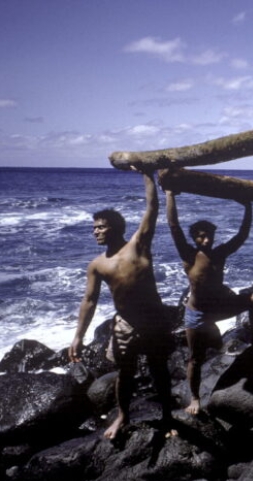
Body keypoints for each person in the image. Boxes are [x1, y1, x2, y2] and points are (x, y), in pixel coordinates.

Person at [69, 170, 175, 440]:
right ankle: (123, 416)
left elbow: (152, 208)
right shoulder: (97, 264)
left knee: (159, 369)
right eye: (94, 227)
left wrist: (147, 175)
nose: (95, 231)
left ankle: (168, 417)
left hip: (154, 319)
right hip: (125, 324)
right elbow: (89, 300)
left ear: (116, 228)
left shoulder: (138, 245)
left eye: (100, 227)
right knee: (125, 373)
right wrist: (78, 336)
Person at [165, 190, 253, 415]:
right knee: (195, 359)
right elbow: (173, 226)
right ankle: (195, 398)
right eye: (201, 236)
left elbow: (242, 235)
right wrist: (170, 195)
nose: (206, 240)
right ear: (194, 238)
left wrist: (248, 206)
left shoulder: (220, 253)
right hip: (197, 314)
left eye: (209, 235)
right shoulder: (189, 255)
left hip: (220, 308)